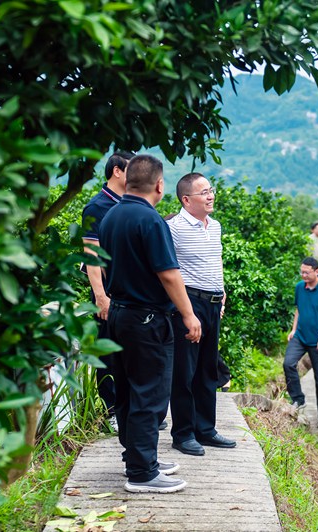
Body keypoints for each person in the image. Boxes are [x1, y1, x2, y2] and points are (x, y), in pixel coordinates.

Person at [99, 154, 202, 494]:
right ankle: (143, 474)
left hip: (119, 314)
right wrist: (188, 314)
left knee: (128, 390)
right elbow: (169, 274)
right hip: (146, 319)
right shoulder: (151, 220)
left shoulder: (111, 215)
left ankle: (138, 458)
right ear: (159, 185)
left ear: (127, 181)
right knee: (150, 395)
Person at [167, 173, 236, 457]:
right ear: (186, 200)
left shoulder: (215, 226)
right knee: (185, 371)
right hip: (188, 304)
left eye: (211, 190)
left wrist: (221, 292)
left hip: (212, 303)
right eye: (204, 192)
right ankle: (182, 434)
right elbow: (166, 270)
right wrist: (183, 311)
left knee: (208, 368)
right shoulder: (172, 227)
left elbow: (215, 259)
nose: (211, 196)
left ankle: (205, 430)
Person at [81, 150, 134, 428]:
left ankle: (130, 410)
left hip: (131, 293)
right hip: (108, 293)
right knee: (109, 354)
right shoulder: (96, 207)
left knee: (130, 352)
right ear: (117, 171)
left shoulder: (132, 203)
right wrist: (101, 297)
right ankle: (112, 412)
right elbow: (91, 257)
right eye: (131, 169)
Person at [283, 257, 318, 429]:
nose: (303, 275)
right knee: (288, 363)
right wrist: (293, 329)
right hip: (300, 336)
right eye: (302, 272)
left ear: (316, 271)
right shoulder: (300, 287)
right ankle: (298, 399)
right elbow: (298, 310)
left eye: (307, 272)